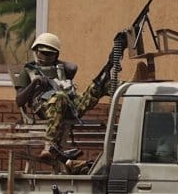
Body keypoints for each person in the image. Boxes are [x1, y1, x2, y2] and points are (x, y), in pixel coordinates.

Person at [12, 32, 111, 163]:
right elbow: (19, 101)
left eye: (50, 54)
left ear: (56, 54)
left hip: (71, 107)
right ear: (36, 51)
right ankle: (49, 146)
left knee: (100, 84)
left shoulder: (61, 69)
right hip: (46, 108)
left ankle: (129, 87)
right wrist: (35, 83)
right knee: (59, 97)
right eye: (43, 53)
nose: (46, 57)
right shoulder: (28, 71)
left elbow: (73, 66)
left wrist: (55, 63)